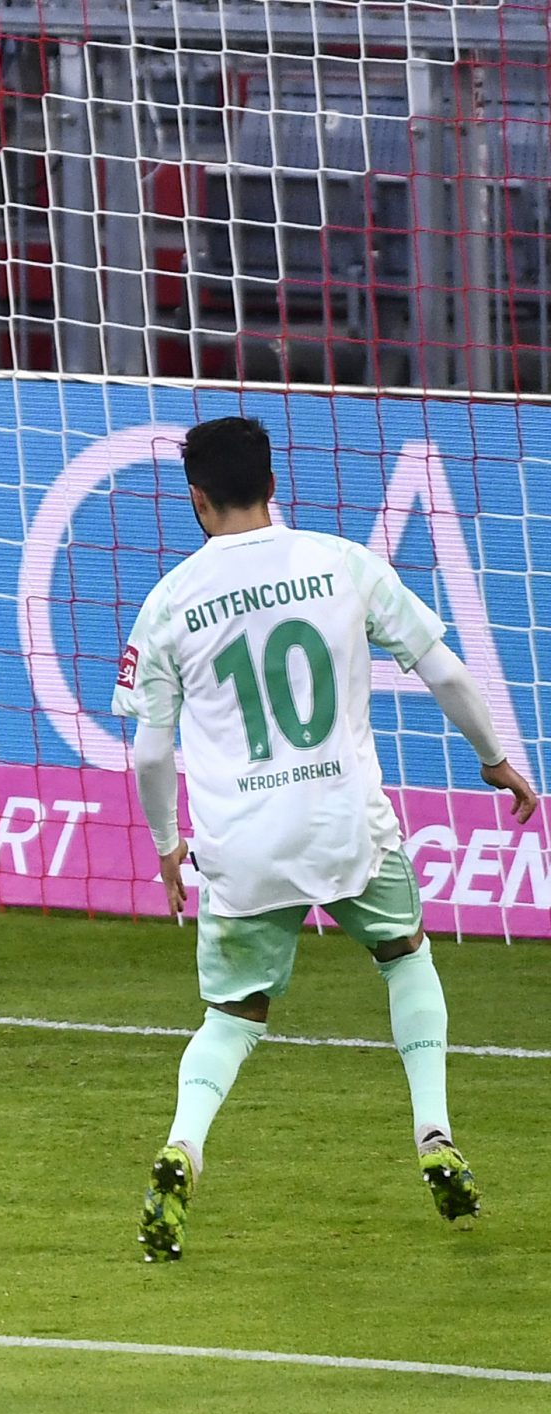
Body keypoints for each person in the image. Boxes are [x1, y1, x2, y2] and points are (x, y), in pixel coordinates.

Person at [112, 417, 538, 1262]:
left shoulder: (168, 603)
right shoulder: (343, 563)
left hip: (242, 843)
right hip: (347, 823)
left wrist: (168, 844)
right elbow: (446, 669)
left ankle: (184, 1145)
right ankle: (434, 1132)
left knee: (233, 1013)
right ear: (274, 484)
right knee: (405, 954)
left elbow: (151, 749)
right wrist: (495, 758)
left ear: (196, 499)